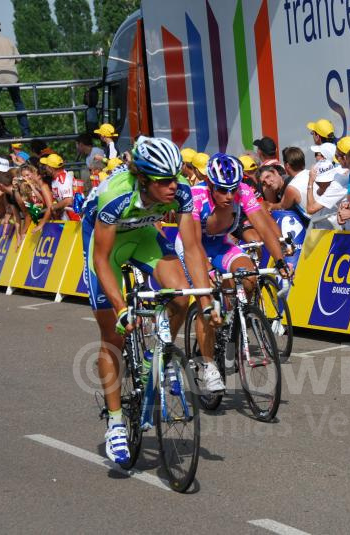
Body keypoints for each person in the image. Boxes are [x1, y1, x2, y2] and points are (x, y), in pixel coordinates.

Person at [81, 136, 217, 465]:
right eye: (164, 181)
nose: (174, 186)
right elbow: (101, 260)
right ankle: (115, 423)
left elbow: (193, 246)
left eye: (175, 177)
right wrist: (122, 309)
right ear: (143, 179)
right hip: (106, 246)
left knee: (181, 297)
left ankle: (152, 357)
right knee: (113, 335)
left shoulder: (180, 188)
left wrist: (207, 300)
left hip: (143, 235)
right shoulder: (116, 195)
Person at [176, 153, 292, 303]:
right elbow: (195, 244)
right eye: (223, 190)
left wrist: (280, 261)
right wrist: (209, 270)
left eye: (233, 189)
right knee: (208, 299)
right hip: (192, 246)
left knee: (250, 278)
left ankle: (240, 318)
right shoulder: (196, 196)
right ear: (210, 184)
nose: (230, 196)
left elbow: (264, 229)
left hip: (219, 244)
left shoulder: (244, 191)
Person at [40, 154, 76, 221]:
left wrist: (53, 207)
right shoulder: (56, 179)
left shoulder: (63, 179)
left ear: (51, 168)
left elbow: (68, 200)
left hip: (73, 218)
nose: (45, 168)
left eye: (46, 166)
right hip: (67, 217)